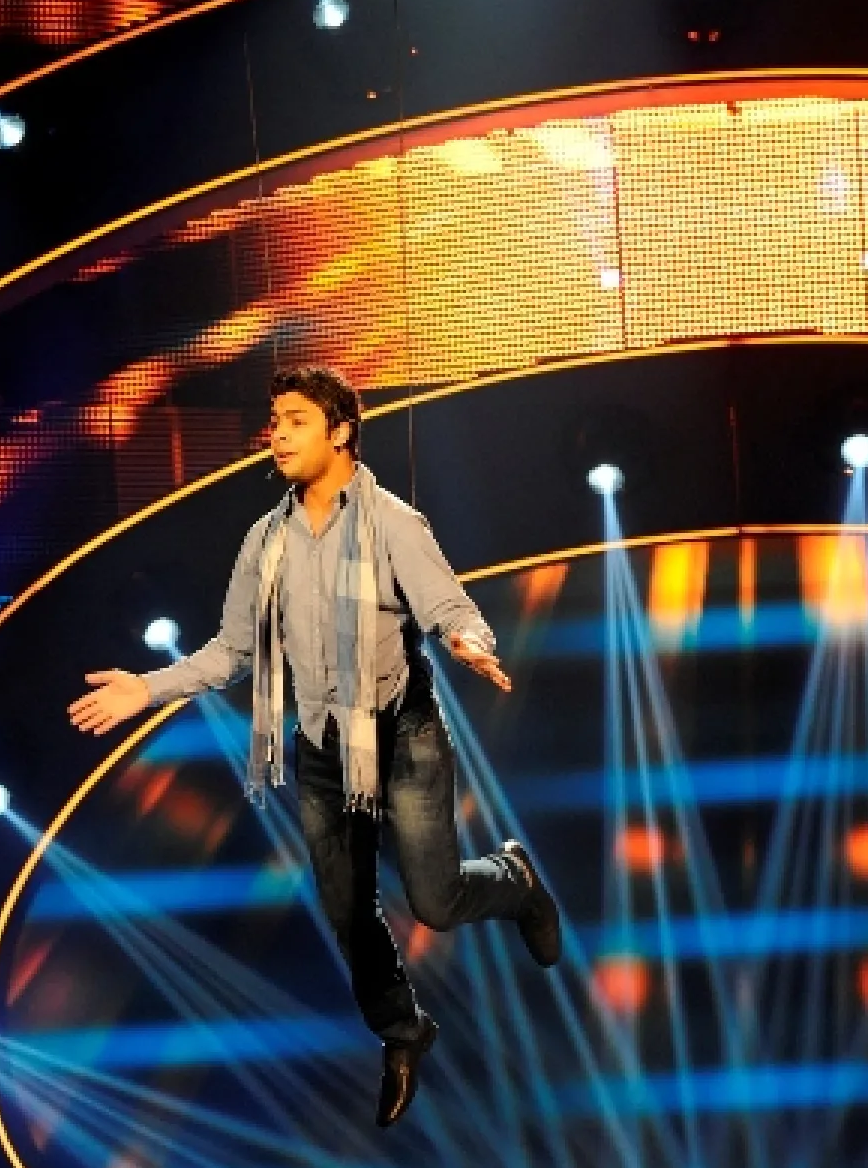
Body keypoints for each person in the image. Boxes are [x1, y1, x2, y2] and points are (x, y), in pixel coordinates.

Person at [68, 366, 560, 1127]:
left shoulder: (394, 522)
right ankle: (403, 1031)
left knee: (434, 901)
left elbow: (447, 606)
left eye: (295, 420)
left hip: (402, 737)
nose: (278, 434)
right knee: (346, 909)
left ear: (341, 432)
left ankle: (514, 879)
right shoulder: (265, 541)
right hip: (324, 751)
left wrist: (469, 641)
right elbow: (233, 651)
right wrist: (149, 687)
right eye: (274, 421)